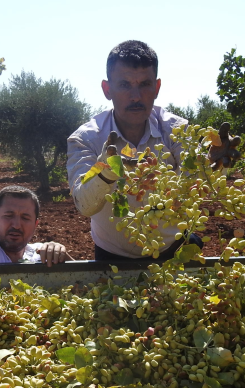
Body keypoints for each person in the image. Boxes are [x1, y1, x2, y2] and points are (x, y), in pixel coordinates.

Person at [67, 40, 203, 261]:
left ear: (157, 88)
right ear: (107, 89)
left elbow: (196, 183)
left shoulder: (177, 130)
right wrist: (107, 170)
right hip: (113, 257)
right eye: (124, 85)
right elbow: (84, 204)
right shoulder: (86, 139)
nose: (136, 96)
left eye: (144, 84)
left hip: (175, 250)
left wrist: (213, 165)